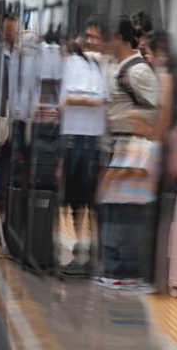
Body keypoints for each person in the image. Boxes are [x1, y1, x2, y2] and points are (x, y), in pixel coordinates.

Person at [96, 15, 160, 290]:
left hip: (134, 151)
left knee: (127, 213)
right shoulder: (115, 65)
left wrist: (133, 117)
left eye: (100, 38)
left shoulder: (137, 71)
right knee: (115, 210)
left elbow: (159, 111)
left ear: (118, 38)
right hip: (117, 148)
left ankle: (127, 273)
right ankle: (114, 268)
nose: (95, 43)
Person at [57, 37, 107, 277]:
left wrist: (76, 100)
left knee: (86, 197)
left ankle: (87, 250)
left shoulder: (99, 65)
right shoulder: (78, 64)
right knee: (76, 197)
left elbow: (99, 99)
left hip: (89, 140)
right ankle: (81, 248)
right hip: (78, 139)